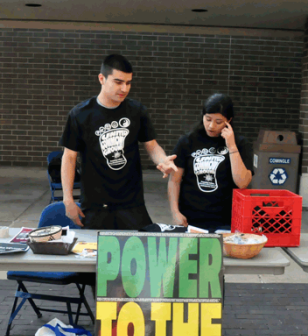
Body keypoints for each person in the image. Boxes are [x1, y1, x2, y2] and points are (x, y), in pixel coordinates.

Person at [59, 54, 177, 230]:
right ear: (101, 78)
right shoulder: (80, 114)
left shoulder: (137, 111)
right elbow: (69, 157)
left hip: (131, 203)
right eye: (118, 82)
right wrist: (67, 199)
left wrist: (162, 160)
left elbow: (151, 145)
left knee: (142, 252)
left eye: (128, 83)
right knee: (94, 255)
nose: (124, 88)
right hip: (95, 205)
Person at [168, 93, 253, 232]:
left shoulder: (240, 143)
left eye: (218, 122)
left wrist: (231, 146)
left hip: (226, 220)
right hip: (191, 218)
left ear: (229, 120)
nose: (211, 126)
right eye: (208, 119)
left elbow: (242, 182)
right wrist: (175, 212)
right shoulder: (187, 141)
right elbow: (174, 180)